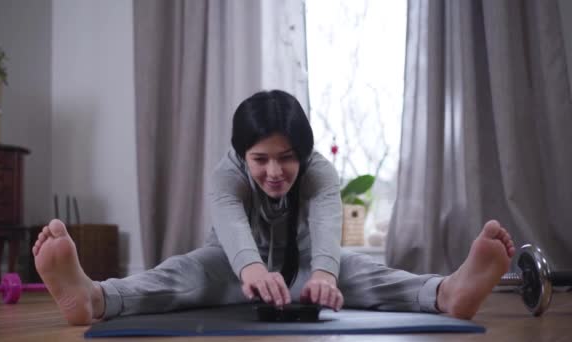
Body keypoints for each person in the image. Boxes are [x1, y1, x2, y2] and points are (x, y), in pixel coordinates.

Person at [32, 90, 515, 326]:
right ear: (243, 156)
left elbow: (327, 222)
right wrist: (248, 270)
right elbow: (230, 228)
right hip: (228, 268)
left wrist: (324, 274)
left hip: (303, 272)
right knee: (181, 274)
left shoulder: (320, 173)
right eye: (261, 160)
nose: (275, 172)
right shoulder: (226, 175)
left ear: (302, 154)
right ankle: (92, 298)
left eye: (286, 158)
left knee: (363, 272)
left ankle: (448, 293)